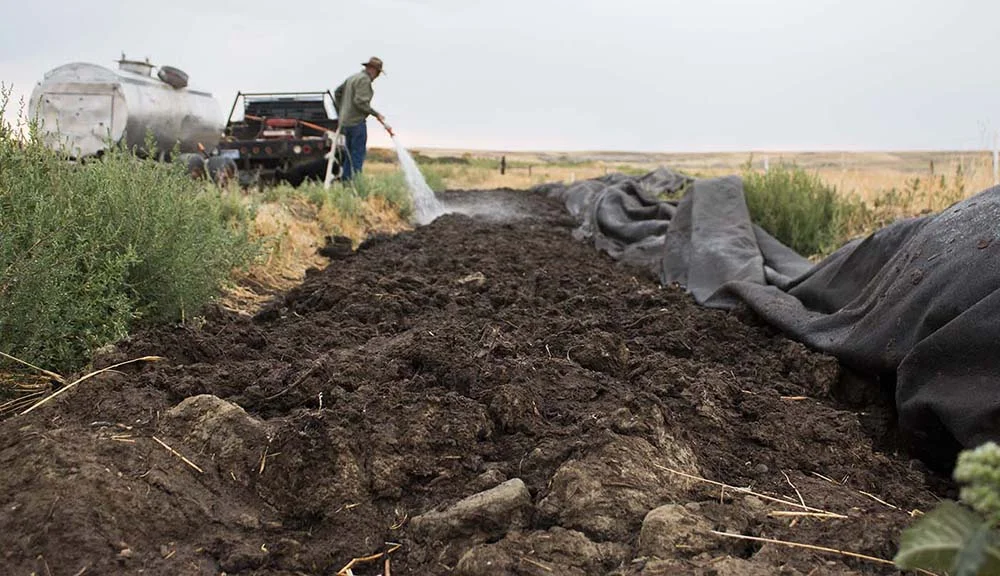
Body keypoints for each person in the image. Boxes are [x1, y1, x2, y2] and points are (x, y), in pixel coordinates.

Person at [333, 57, 392, 181]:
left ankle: (346, 184)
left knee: (348, 156)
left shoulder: (352, 78)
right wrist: (376, 114)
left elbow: (337, 92)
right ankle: (355, 184)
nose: (377, 76)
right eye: (378, 73)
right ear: (373, 70)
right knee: (357, 156)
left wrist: (342, 111)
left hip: (345, 123)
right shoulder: (364, 80)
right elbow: (360, 102)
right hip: (356, 124)